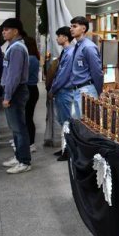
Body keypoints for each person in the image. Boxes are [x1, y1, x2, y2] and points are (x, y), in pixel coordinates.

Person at [0, 18, 31, 174]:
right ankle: (19, 156)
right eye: (3, 29)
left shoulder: (17, 48)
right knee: (15, 128)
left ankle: (24, 161)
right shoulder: (13, 47)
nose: (3, 32)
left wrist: (8, 96)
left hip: (16, 91)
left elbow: (14, 76)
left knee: (19, 128)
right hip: (14, 91)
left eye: (7, 29)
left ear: (16, 31)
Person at [48, 26, 75, 161]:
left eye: (59, 36)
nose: (57, 38)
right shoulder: (66, 52)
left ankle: (69, 151)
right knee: (62, 121)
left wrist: (53, 89)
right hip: (62, 91)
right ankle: (65, 148)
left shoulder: (69, 53)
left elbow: (63, 75)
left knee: (66, 122)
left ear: (65, 37)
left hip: (65, 91)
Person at [70, 16, 103, 118]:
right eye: (71, 26)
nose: (71, 29)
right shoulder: (78, 46)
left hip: (86, 90)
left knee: (87, 127)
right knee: (78, 125)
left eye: (74, 26)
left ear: (83, 29)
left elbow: (97, 72)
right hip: (77, 90)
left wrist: (98, 92)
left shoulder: (89, 47)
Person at [23, 36, 40, 153]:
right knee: (26, 117)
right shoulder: (33, 58)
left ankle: (31, 143)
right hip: (31, 89)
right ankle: (27, 141)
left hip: (29, 89)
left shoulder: (30, 59)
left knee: (27, 117)